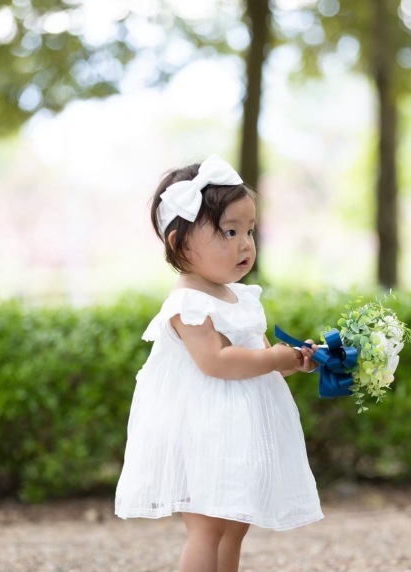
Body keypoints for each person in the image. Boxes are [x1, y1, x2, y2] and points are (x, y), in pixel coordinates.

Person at [114, 155, 323, 572]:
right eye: (229, 231)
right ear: (179, 243)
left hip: (239, 431)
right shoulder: (188, 303)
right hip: (204, 430)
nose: (245, 244)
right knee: (208, 526)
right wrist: (271, 358)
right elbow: (216, 361)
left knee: (234, 524)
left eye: (249, 231)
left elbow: (260, 356)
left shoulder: (241, 297)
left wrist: (294, 360)